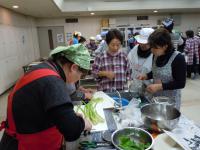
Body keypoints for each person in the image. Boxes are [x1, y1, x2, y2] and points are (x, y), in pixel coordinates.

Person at [0, 44, 92, 150]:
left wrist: (66, 115)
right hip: (23, 145)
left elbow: (42, 106)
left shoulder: (43, 68)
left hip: (22, 138)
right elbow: (71, 131)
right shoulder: (53, 81)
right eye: (80, 75)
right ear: (74, 68)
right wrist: (84, 123)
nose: (77, 80)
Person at [138, 28, 186, 110]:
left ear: (165, 46)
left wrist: (160, 86)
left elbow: (180, 83)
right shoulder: (156, 55)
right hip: (156, 98)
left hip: (170, 101)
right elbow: (155, 72)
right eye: (151, 47)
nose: (152, 50)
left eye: (155, 47)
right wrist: (146, 76)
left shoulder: (178, 58)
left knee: (166, 122)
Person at [128, 28, 154, 94]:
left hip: (150, 88)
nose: (143, 45)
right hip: (135, 86)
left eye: (146, 43)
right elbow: (129, 63)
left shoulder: (156, 53)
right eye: (141, 43)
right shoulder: (135, 49)